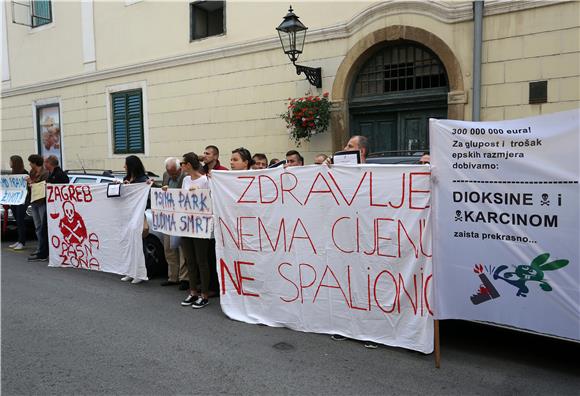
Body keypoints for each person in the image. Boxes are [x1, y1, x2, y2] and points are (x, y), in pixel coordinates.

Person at [329, 135, 377, 349]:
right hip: (345, 240)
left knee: (367, 286)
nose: (344, 148)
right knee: (346, 284)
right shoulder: (339, 173)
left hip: (368, 241)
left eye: (349, 146)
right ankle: (347, 327)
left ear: (361, 152)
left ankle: (370, 331)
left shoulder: (376, 174)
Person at [179, 152, 211, 308]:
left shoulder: (205, 180)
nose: (181, 166)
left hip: (200, 225)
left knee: (201, 261)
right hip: (186, 224)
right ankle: (193, 292)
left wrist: (197, 193)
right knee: (189, 260)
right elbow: (180, 198)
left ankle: (204, 294)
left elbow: (209, 199)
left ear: (188, 165)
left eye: (182, 164)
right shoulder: (185, 179)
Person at [29, 155, 69, 262]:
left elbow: (60, 188)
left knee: (45, 229)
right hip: (51, 206)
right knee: (44, 229)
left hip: (55, 207)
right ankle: (44, 252)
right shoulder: (53, 174)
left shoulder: (59, 175)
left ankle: (44, 253)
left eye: (46, 163)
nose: (44, 164)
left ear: (49, 164)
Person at [120, 155, 149, 284]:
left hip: (138, 215)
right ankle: (130, 271)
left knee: (138, 245)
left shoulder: (143, 179)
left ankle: (140, 273)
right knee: (128, 244)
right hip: (127, 215)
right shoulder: (126, 178)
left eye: (126, 164)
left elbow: (144, 199)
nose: (124, 166)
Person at [160, 157, 189, 290]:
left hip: (182, 217)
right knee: (169, 248)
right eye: (169, 172)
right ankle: (173, 276)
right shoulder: (166, 175)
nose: (171, 175)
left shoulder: (186, 177)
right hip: (168, 217)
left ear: (179, 169)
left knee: (182, 249)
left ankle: (184, 278)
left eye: (174, 172)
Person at [26, 154, 48, 259]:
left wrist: (31, 183)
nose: (29, 164)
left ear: (35, 163)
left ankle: (43, 249)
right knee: (37, 226)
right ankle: (39, 247)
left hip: (41, 201)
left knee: (42, 226)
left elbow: (41, 186)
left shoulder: (45, 173)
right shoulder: (32, 172)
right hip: (34, 201)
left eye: (30, 162)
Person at [8, 155, 29, 251]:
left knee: (20, 220)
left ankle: (22, 242)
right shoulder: (12, 173)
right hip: (14, 200)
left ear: (15, 162)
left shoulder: (24, 173)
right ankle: (19, 240)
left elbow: (27, 187)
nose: (10, 163)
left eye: (11, 161)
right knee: (17, 220)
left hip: (22, 200)